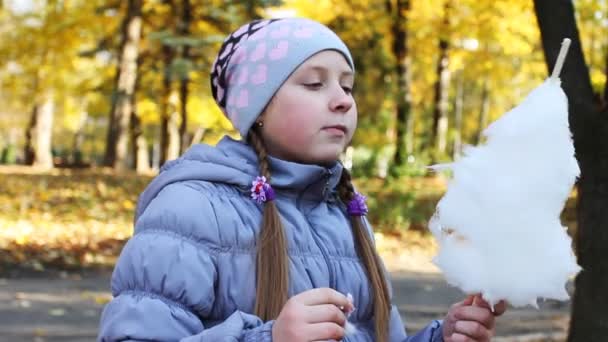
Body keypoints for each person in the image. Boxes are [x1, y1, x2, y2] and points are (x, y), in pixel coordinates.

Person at [98, 17, 506, 342]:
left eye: (348, 85)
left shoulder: (345, 213)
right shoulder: (191, 209)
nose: (343, 99)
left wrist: (442, 337)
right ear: (256, 107)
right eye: (314, 83)